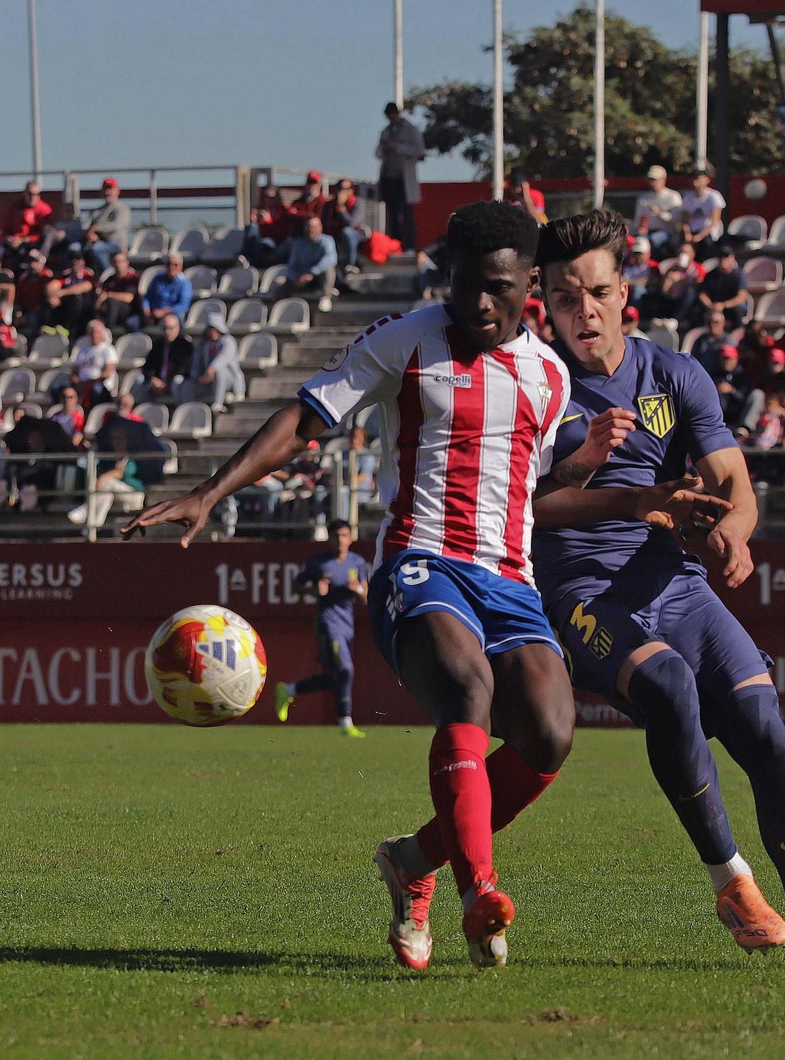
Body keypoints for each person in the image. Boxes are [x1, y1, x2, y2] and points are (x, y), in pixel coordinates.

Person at [125, 201, 649, 971]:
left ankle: (413, 861)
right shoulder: (404, 341)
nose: (478, 303)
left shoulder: (549, 375)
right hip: (421, 563)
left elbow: (529, 488)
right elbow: (306, 420)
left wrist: (591, 466)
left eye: (497, 288)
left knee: (549, 731)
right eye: (466, 285)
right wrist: (211, 490)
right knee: (466, 688)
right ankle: (479, 892)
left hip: (510, 577)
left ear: (528, 285)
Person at [528, 208, 785, 969]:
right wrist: (630, 496)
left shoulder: (675, 374)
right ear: (547, 304)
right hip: (582, 589)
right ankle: (731, 881)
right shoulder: (534, 384)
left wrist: (736, 529)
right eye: (565, 298)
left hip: (677, 583)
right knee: (665, 683)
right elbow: (526, 508)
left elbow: (736, 483)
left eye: (596, 291)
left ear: (624, 291)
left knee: (764, 727)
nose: (583, 311)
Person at [273, 520, 371, 737]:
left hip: (347, 624)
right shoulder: (318, 563)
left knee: (336, 677)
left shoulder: (357, 562)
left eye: (345, 536)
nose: (341, 540)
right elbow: (296, 585)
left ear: (351, 538)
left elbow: (365, 596)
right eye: (336, 536)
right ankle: (345, 722)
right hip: (327, 622)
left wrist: (358, 591)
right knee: (346, 669)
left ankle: (288, 690)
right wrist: (314, 592)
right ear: (329, 538)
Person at [376, 102, 425, 250]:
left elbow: (420, 151)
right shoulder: (385, 132)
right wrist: (385, 147)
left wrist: (398, 147)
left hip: (405, 180)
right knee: (392, 215)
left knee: (406, 215)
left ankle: (409, 246)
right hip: (388, 178)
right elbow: (377, 154)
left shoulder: (410, 130)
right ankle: (395, 245)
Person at [279, 215, 338, 312]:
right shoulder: (297, 244)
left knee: (329, 269)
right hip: (302, 278)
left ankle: (326, 298)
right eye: (309, 227)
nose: (311, 230)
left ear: (320, 228)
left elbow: (331, 259)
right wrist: (296, 278)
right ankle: (281, 310)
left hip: (318, 277)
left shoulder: (327, 241)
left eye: (314, 227)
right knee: (279, 284)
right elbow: (292, 265)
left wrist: (312, 272)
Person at [190, 311, 245, 412]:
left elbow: (224, 358)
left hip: (229, 379)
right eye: (210, 329)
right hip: (208, 381)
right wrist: (197, 377)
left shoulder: (229, 341)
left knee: (220, 370)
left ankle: (218, 404)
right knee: (185, 383)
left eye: (215, 329)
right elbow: (196, 362)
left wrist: (211, 369)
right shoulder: (203, 344)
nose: (212, 332)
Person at [84, 177, 131, 274]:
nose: (108, 192)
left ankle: (109, 276)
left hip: (115, 243)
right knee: (75, 248)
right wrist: (90, 233)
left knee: (97, 248)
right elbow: (86, 226)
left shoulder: (122, 209)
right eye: (105, 189)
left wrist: (96, 228)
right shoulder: (96, 211)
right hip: (96, 242)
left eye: (111, 189)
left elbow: (117, 226)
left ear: (117, 191)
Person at [632, 165, 682, 254]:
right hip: (647, 233)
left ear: (663, 180)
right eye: (650, 180)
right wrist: (638, 229)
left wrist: (660, 213)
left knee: (654, 240)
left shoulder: (673, 196)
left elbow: (677, 219)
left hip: (667, 232)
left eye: (655, 180)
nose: (652, 183)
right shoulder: (643, 198)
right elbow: (638, 220)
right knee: (637, 245)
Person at [698, 249, 751, 330]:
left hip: (730, 307)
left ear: (732, 258)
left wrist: (724, 305)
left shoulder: (739, 275)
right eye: (721, 257)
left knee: (737, 312)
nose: (723, 260)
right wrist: (710, 305)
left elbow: (741, 297)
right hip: (713, 306)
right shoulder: (711, 275)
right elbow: (703, 294)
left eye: (726, 257)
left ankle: (738, 336)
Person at [680, 168, 726, 254]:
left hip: (708, 232)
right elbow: (684, 220)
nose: (695, 183)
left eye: (698, 179)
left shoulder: (714, 196)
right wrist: (687, 234)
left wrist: (700, 236)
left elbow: (715, 221)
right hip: (692, 231)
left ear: (706, 180)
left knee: (706, 244)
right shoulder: (688, 198)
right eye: (693, 179)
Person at [141, 253, 192, 325]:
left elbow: (184, 305)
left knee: (169, 323)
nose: (171, 267)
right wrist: (146, 309)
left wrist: (164, 312)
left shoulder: (184, 283)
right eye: (169, 264)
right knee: (132, 323)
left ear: (180, 267)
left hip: (172, 314)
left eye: (175, 265)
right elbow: (148, 297)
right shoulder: (158, 279)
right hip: (153, 313)